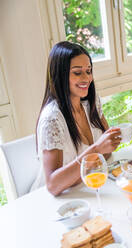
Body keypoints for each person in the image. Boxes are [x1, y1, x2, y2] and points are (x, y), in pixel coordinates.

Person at [32, 41, 122, 196]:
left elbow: (107, 151)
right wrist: (96, 150)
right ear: (60, 75)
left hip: (87, 188)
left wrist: (108, 145)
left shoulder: (90, 103)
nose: (86, 78)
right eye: (77, 72)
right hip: (60, 201)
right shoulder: (52, 119)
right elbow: (53, 186)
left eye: (88, 71)